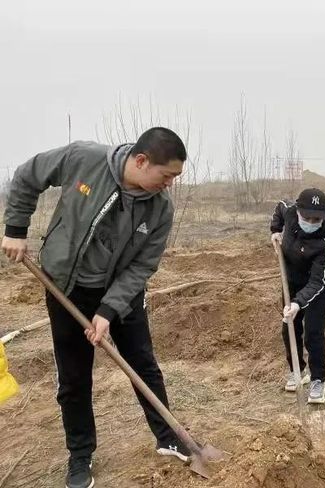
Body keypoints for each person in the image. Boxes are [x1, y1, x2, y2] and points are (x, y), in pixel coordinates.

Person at [2, 128, 189, 488]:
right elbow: (27, 175)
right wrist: (15, 228)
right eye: (166, 176)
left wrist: (107, 312)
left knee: (143, 365)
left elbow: (142, 267)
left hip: (121, 293)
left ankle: (168, 436)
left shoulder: (161, 209)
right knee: (74, 378)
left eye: (175, 178)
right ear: (140, 161)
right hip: (67, 289)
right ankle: (80, 455)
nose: (169, 185)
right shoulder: (83, 160)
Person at [270, 188, 325, 404]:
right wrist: (276, 230)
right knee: (289, 327)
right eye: (306, 217)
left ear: (324, 216)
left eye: (316, 218)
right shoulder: (289, 211)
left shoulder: (324, 242)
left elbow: (318, 281)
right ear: (298, 211)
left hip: (318, 285)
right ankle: (297, 371)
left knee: (313, 333)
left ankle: (318, 380)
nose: (310, 221)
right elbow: (279, 207)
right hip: (291, 279)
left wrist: (298, 303)